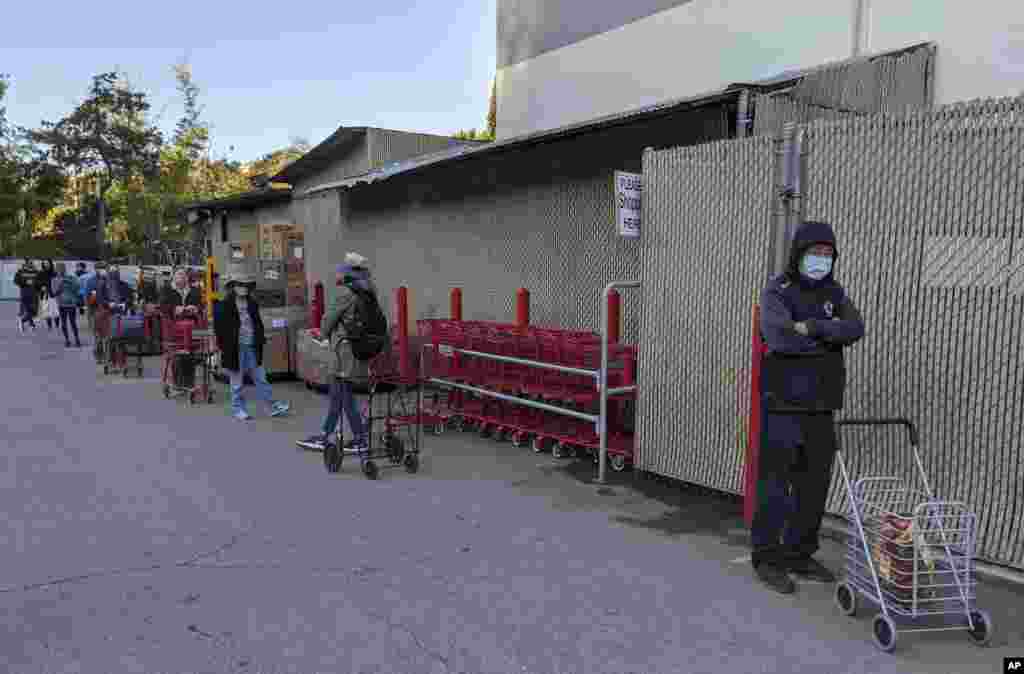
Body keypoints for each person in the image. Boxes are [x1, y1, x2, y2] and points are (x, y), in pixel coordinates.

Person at [751, 220, 865, 594]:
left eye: (827, 254)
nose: (821, 259)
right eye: (814, 253)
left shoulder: (835, 292)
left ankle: (800, 552)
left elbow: (855, 328)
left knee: (814, 485)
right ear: (798, 254)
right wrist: (828, 338)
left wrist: (812, 327)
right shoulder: (777, 291)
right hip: (783, 403)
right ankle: (768, 557)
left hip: (822, 404)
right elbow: (779, 337)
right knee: (775, 485)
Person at [297, 253, 387, 453]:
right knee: (339, 396)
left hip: (343, 353)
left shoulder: (345, 294)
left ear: (347, 274)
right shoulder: (369, 291)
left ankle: (354, 438)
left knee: (343, 396)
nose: (337, 272)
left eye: (341, 270)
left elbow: (327, 322)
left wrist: (320, 334)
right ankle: (331, 435)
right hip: (357, 351)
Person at [213, 272, 291, 421]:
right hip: (234, 348)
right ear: (233, 287)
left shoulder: (252, 303)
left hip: (252, 346)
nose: (243, 288)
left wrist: (260, 338)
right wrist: (223, 347)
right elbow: (220, 330)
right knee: (237, 382)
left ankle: (271, 406)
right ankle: (238, 409)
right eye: (239, 285)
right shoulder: (223, 305)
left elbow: (258, 324)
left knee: (261, 378)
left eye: (246, 285)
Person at [51, 263, 82, 348]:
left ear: (65, 269)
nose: (61, 270)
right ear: (56, 270)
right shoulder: (54, 280)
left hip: (71, 303)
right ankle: (67, 340)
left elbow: (77, 288)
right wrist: (61, 284)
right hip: (61, 304)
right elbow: (54, 293)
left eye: (62, 268)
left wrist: (70, 283)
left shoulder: (71, 278)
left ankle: (77, 339)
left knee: (73, 323)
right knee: (64, 323)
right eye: (59, 269)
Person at [13, 259, 39, 333]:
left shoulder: (36, 272)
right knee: (29, 310)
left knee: (34, 312)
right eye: (29, 263)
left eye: (31, 263)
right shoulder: (20, 272)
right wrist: (25, 282)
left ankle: (25, 321)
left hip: (34, 294)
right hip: (25, 294)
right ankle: (31, 324)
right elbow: (15, 281)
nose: (30, 264)